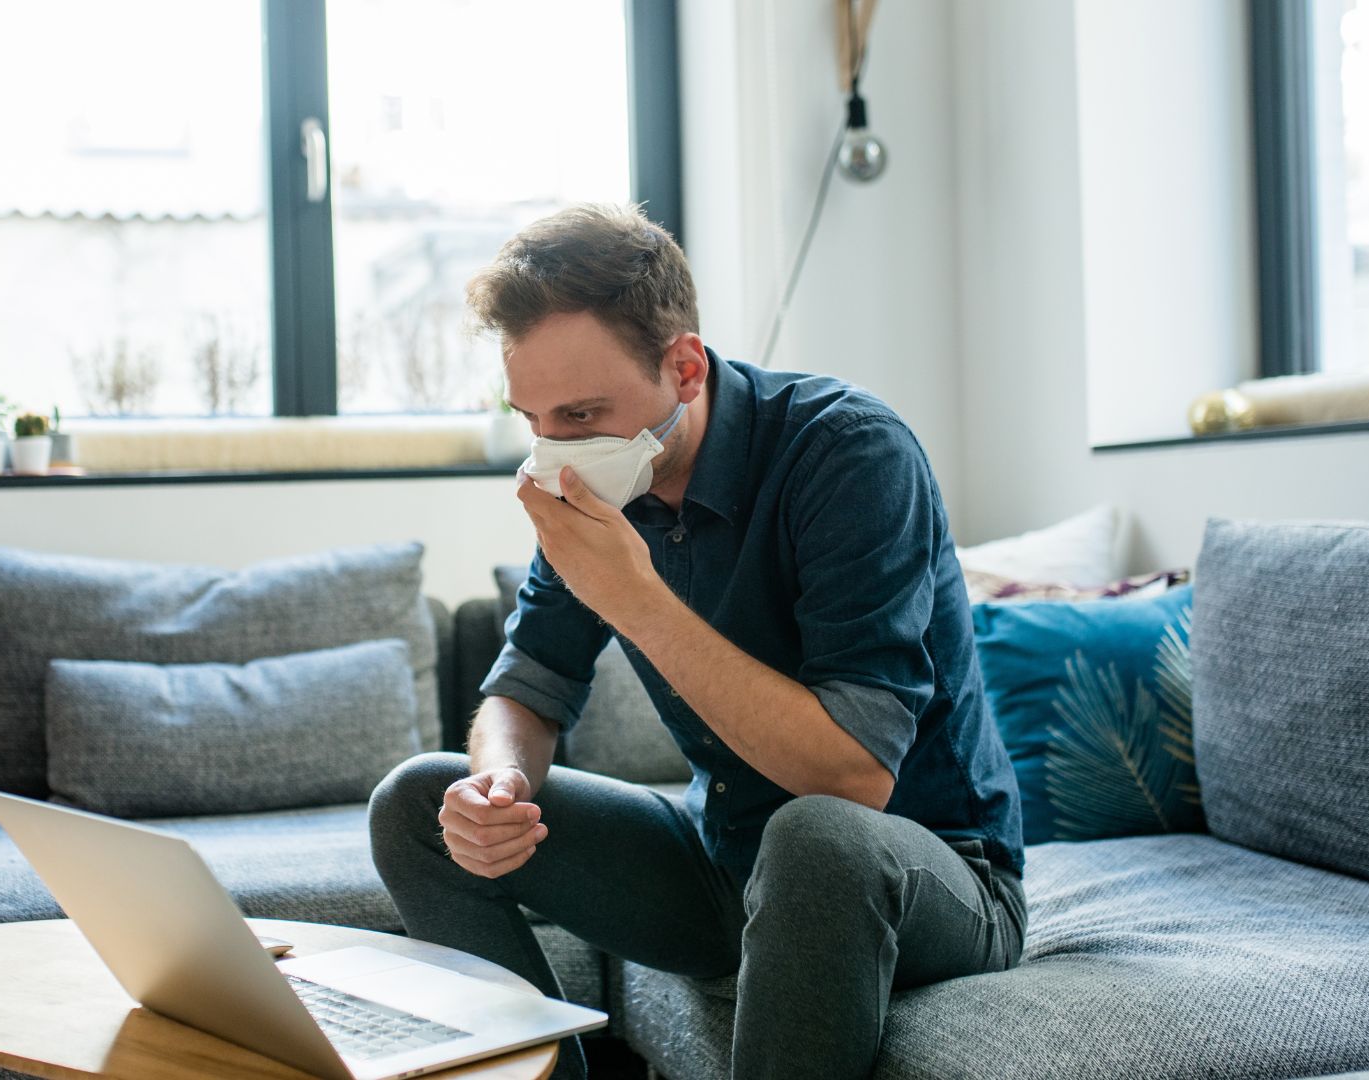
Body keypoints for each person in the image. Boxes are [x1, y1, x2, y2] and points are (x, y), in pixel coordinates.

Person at [367, 202, 1026, 1080]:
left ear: (683, 367)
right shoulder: (599, 476)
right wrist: (501, 784)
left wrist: (637, 601)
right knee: (419, 801)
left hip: (925, 874)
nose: (554, 452)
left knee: (816, 837)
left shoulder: (850, 454)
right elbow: (526, 683)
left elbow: (853, 779)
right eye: (533, 420)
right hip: (726, 867)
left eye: (581, 414)